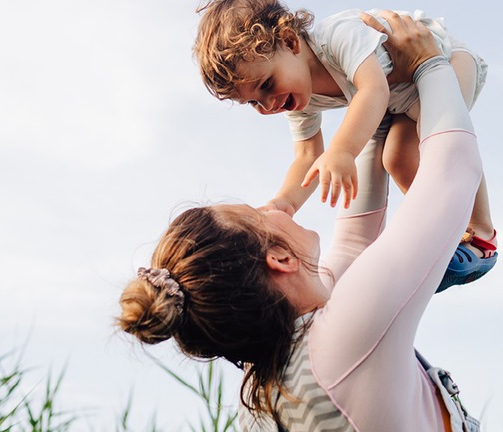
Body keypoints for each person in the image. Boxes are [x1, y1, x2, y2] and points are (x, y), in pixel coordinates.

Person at [119, 11, 482, 432]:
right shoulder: (344, 339)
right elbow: (450, 175)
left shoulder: (264, 394)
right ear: (279, 259)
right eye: (259, 215)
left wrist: (372, 112)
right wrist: (428, 65)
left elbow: (352, 243)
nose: (275, 208)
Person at [194, 0, 497, 291]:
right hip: (406, 98)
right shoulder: (299, 98)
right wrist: (284, 204)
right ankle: (450, 234)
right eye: (253, 102)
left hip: (446, 60)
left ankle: (482, 234)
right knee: (397, 159)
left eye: (267, 85)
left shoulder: (338, 36)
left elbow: (373, 89)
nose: (268, 104)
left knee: (439, 142)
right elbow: (307, 155)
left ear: (289, 41)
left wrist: (343, 151)